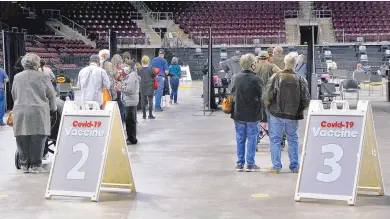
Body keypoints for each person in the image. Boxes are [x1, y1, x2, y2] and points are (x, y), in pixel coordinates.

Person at [263, 52, 310, 174]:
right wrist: (299, 109)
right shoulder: (301, 79)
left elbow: (268, 95)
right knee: (293, 139)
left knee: (275, 139)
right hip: (293, 115)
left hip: (276, 113)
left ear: (285, 62)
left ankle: (276, 166)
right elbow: (306, 100)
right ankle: (295, 166)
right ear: (295, 64)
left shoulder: (276, 77)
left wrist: (268, 106)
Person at [11, 53, 57, 173]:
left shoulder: (17, 77)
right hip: (38, 110)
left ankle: (24, 164)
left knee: (22, 137)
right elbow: (51, 94)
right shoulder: (43, 77)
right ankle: (36, 165)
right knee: (39, 137)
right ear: (37, 63)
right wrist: (54, 108)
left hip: (20, 110)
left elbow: (13, 93)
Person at [230, 53, 264, 172]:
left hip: (239, 112)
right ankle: (250, 163)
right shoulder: (257, 79)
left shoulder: (235, 78)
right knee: (252, 138)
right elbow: (262, 96)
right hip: (253, 114)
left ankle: (240, 163)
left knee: (240, 138)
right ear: (252, 65)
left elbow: (232, 93)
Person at [121, 64, 140, 145]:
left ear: (131, 68)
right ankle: (132, 138)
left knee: (130, 121)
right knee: (131, 120)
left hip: (130, 101)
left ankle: (131, 138)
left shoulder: (131, 77)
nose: (124, 68)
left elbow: (129, 89)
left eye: (126, 66)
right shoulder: (131, 76)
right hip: (130, 100)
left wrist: (121, 88)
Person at [111, 54, 126, 122]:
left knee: (113, 106)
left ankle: (114, 120)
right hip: (119, 89)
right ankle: (121, 120)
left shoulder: (110, 68)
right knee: (121, 106)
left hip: (112, 90)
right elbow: (123, 78)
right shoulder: (121, 69)